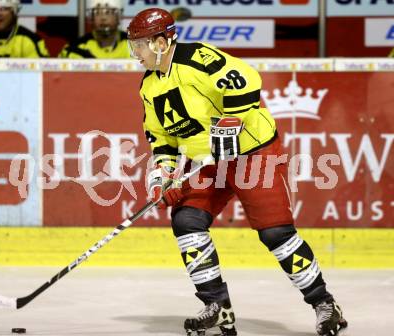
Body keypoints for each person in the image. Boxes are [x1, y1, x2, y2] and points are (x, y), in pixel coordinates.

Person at [127, 8, 348, 336]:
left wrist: (229, 124)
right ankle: (217, 307)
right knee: (186, 220)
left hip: (253, 152)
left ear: (161, 42)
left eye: (140, 46)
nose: (135, 54)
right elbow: (164, 141)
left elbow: (246, 80)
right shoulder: (149, 88)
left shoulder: (196, 58)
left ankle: (325, 304)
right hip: (208, 161)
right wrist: (163, 176)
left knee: (276, 234)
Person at [59, 0, 129, 59]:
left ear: (118, 16)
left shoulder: (134, 47)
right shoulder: (74, 49)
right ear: (91, 17)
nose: (103, 18)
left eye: (108, 12)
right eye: (97, 12)